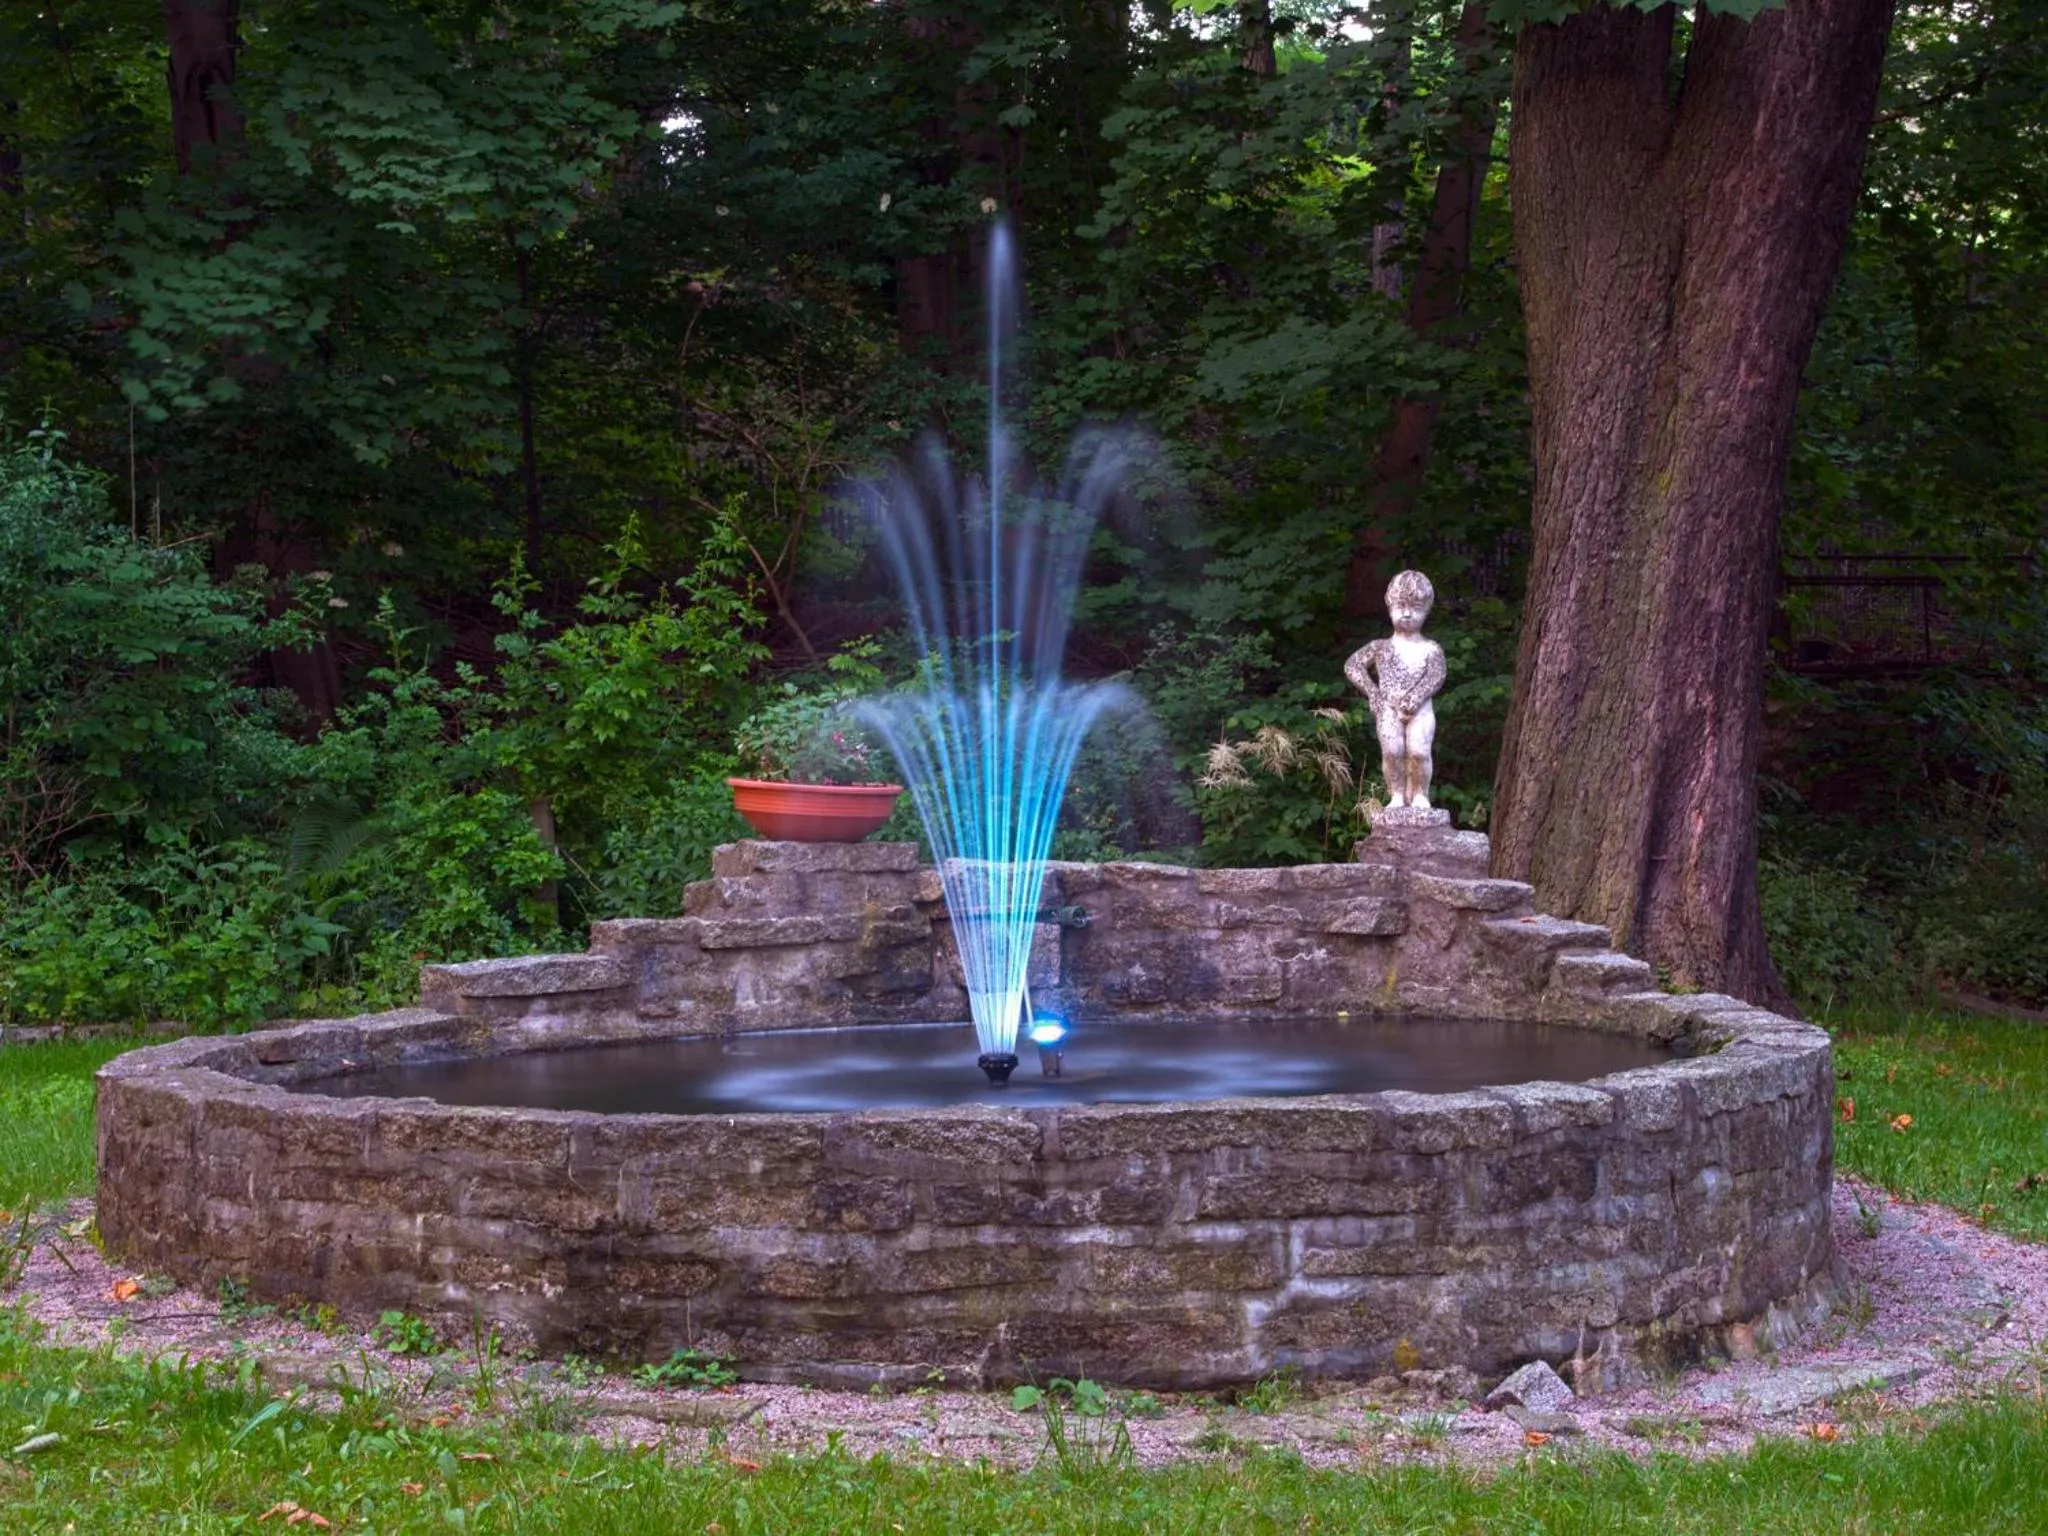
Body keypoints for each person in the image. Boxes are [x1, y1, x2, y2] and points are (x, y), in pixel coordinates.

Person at [1343, 570, 1447, 812]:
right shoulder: (1381, 647)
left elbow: (1437, 675)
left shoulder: (1431, 649)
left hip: (1420, 708)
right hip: (1388, 707)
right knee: (1392, 751)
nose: (1407, 613)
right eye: (1401, 606)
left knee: (1419, 751)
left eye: (1415, 607)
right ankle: (1397, 795)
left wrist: (1417, 696)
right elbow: (1353, 665)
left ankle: (1420, 794)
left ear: (1427, 610)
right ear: (1390, 607)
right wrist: (1373, 692)